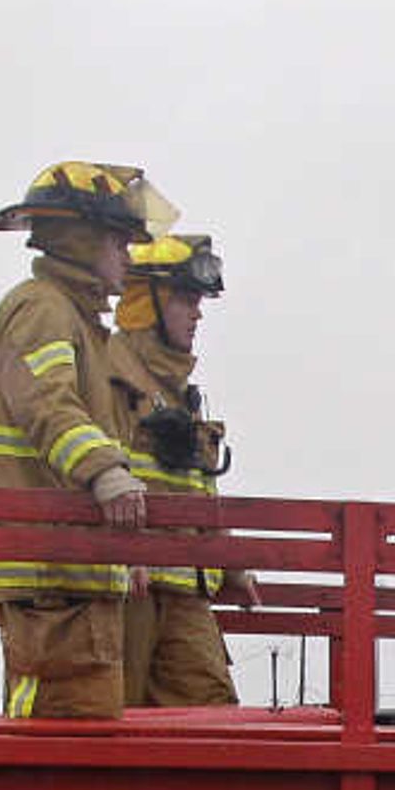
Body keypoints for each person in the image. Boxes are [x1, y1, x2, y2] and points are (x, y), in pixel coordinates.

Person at [0, 160, 168, 720]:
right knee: (60, 732)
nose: (129, 260)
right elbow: (46, 404)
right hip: (49, 569)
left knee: (85, 728)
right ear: (85, 241)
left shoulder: (75, 320)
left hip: (71, 569)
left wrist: (121, 551)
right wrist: (107, 473)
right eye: (120, 243)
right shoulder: (42, 308)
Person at [102, 230, 257, 707]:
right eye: (185, 300)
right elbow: (87, 474)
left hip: (186, 592)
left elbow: (197, 496)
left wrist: (232, 567)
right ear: (145, 304)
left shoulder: (179, 393)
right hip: (132, 589)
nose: (198, 313)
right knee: (114, 719)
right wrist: (119, 554)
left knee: (214, 716)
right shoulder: (109, 377)